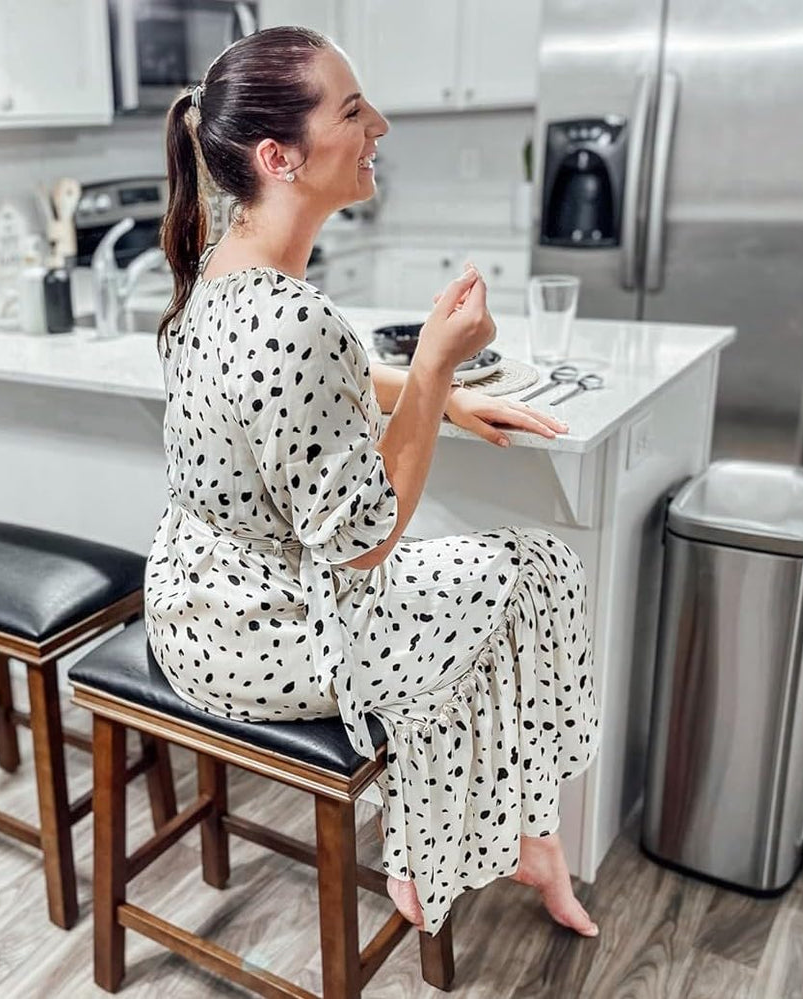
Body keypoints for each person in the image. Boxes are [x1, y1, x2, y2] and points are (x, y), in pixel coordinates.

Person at [142, 25, 601, 938]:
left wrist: (451, 397)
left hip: (191, 600)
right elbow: (365, 542)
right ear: (279, 156)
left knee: (477, 597)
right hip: (262, 634)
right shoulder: (290, 317)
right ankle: (458, 842)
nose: (379, 125)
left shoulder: (214, 269)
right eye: (354, 111)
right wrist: (432, 371)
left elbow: (320, 371)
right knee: (534, 570)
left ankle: (492, 835)